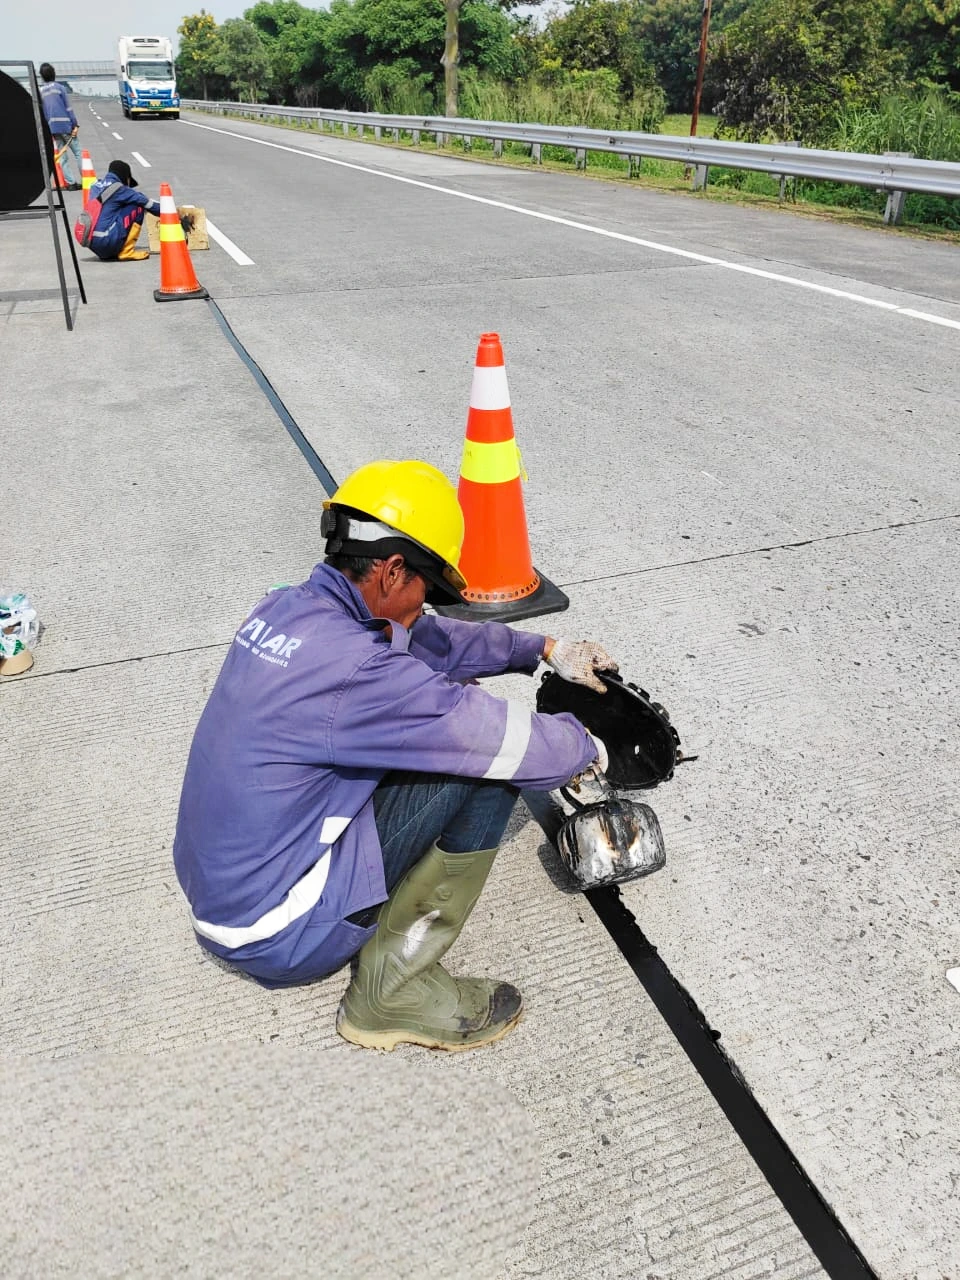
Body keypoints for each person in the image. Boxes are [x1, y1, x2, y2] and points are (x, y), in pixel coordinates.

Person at [173, 459, 618, 1053]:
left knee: (435, 718)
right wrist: (591, 745)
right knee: (484, 766)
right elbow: (496, 738)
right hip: (278, 933)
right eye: (426, 591)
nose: (425, 608)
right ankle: (391, 994)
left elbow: (423, 639)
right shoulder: (355, 671)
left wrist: (540, 647)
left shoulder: (288, 609)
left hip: (228, 893)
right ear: (390, 569)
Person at [85, 160, 167, 262]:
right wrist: (171, 213)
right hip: (106, 242)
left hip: (92, 243)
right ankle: (126, 251)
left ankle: (109, 251)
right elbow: (149, 204)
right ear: (125, 177)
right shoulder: (120, 189)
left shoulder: (95, 186)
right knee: (138, 206)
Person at [38, 63, 82, 190]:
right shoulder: (60, 88)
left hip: (53, 128)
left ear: (42, 76)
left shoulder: (41, 91)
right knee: (78, 152)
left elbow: (43, 112)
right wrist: (74, 124)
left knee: (62, 155)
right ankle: (86, 178)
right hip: (66, 125)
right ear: (54, 74)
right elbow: (68, 108)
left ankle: (71, 183)